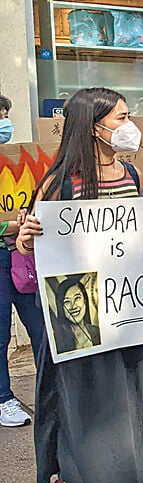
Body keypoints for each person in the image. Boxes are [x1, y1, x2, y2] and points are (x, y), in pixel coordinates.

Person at [17, 87, 143, 483]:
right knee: (76, 393)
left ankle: (121, 472)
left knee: (125, 389)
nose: (128, 127)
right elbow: (37, 248)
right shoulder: (59, 182)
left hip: (127, 310)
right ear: (94, 126)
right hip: (78, 311)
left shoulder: (132, 176)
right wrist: (27, 240)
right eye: (120, 118)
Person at [0, 95, 45, 429]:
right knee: (1, 336)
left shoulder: (22, 161)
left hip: (23, 258)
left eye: (5, 115)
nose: (5, 123)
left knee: (42, 330)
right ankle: (4, 399)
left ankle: (49, 393)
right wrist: (8, 226)